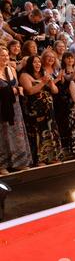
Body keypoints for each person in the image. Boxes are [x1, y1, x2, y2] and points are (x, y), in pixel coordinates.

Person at [19, 55, 63, 166]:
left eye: (39, 62)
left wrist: (51, 83)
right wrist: (43, 82)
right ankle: (39, 159)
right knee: (38, 134)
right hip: (35, 111)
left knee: (50, 132)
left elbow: (55, 91)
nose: (37, 64)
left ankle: (52, 156)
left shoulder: (44, 74)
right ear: (30, 64)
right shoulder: (25, 75)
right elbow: (29, 91)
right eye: (34, 62)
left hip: (48, 111)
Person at [0, 46, 32, 175]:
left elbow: (16, 85)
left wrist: (19, 89)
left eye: (7, 55)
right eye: (2, 56)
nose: (6, 58)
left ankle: (19, 163)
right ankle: (2, 165)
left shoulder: (11, 69)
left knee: (17, 134)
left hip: (15, 106)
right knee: (3, 136)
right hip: (2, 108)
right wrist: (11, 91)